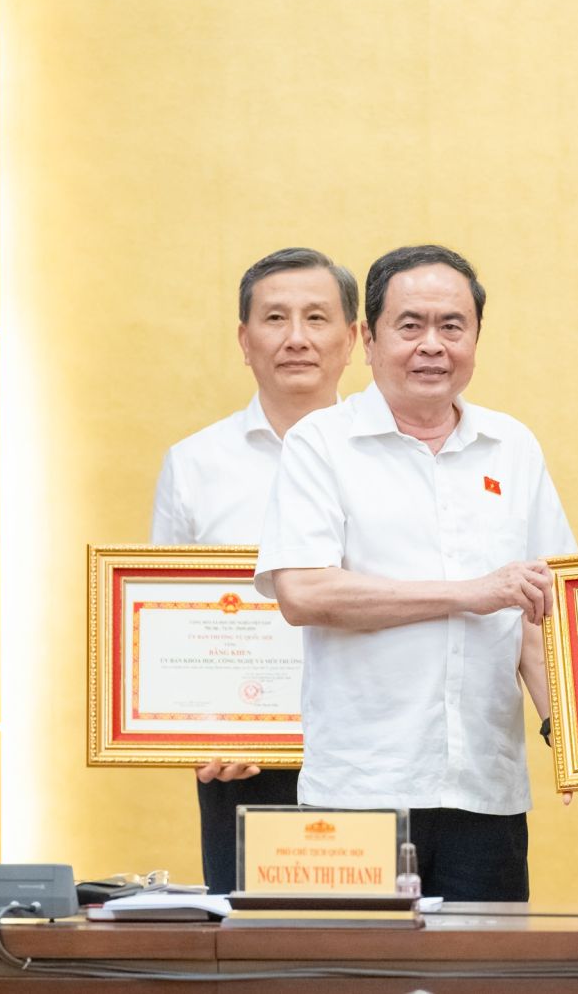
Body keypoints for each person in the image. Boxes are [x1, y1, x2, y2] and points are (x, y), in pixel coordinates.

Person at [253, 244, 578, 904]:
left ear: (475, 338)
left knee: (487, 962)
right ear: (369, 340)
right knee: (356, 962)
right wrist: (471, 593)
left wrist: (576, 737)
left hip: (485, 791)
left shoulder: (513, 447)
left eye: (452, 326)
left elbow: (538, 617)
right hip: (360, 793)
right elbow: (303, 591)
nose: (432, 345)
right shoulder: (320, 443)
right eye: (410, 325)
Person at [150, 246, 359, 894]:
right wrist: (199, 730)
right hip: (242, 761)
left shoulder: (397, 454)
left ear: (353, 338)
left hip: (374, 755)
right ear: (245, 340)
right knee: (253, 942)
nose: (296, 337)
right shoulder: (195, 464)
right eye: (274, 318)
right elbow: (168, 622)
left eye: (317, 317)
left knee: (376, 938)